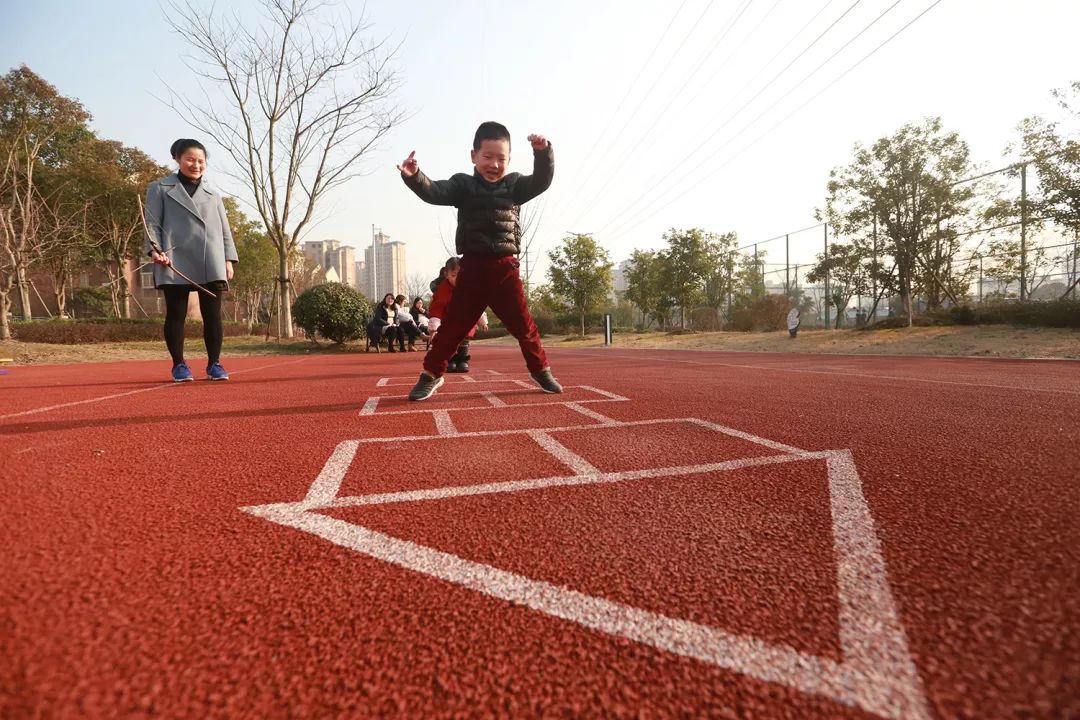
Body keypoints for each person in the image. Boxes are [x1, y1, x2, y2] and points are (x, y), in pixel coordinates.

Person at [398, 121, 561, 400]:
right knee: (453, 327)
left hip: (505, 268)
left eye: (502, 158)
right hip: (471, 268)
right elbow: (435, 191)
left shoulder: (515, 185)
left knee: (524, 325)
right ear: (473, 155)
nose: (494, 165)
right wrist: (415, 177)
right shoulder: (463, 185)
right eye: (488, 157)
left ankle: (541, 370)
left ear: (509, 160)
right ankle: (431, 375)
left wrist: (542, 152)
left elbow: (541, 181)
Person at [144, 138, 238, 382]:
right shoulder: (159, 188)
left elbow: (224, 229)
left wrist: (228, 259)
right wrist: (155, 250)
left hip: (211, 258)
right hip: (173, 258)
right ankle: (179, 365)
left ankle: (214, 363)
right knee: (176, 314)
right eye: (190, 159)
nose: (196, 165)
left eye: (200, 161)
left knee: (213, 315)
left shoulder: (214, 195)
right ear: (177, 159)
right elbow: (152, 223)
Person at [427, 257, 488, 372]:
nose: (458, 279)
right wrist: (434, 328)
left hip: (464, 320)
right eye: (454, 276)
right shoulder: (442, 290)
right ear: (446, 274)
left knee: (464, 340)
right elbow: (437, 309)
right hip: (448, 320)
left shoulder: (469, 288)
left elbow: (476, 306)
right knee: (449, 341)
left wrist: (482, 321)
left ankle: (463, 360)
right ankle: (451, 360)